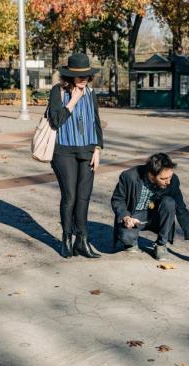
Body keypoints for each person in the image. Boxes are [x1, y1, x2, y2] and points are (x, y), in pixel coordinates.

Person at [47, 53, 104, 259]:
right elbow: (55, 121)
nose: (82, 79)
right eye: (78, 75)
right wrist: (73, 100)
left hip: (87, 150)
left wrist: (97, 149)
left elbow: (95, 122)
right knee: (70, 196)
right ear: (69, 76)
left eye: (86, 75)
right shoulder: (58, 92)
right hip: (63, 151)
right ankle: (66, 239)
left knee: (83, 197)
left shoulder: (91, 93)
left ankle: (82, 240)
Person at [111, 153, 189, 264]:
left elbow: (182, 210)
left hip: (156, 217)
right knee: (127, 237)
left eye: (170, 177)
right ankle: (130, 241)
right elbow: (117, 200)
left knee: (170, 202)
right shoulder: (129, 176)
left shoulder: (173, 181)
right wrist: (126, 218)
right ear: (151, 175)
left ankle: (161, 245)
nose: (168, 181)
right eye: (163, 178)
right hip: (134, 217)